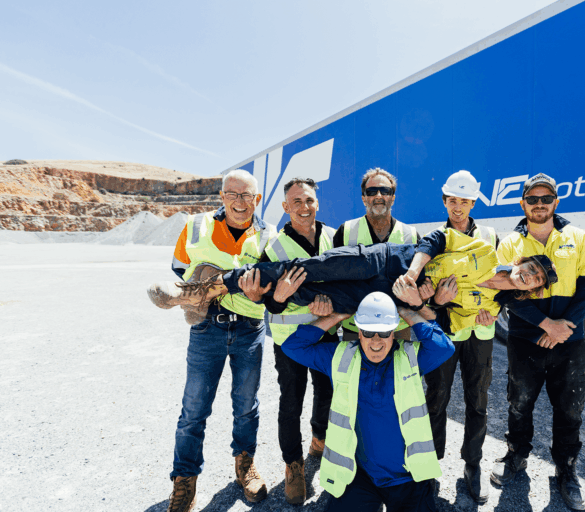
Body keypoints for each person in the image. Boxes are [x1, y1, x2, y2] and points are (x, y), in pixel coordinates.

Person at [148, 228, 557, 335]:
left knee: (307, 290)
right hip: (388, 260)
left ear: (532, 289)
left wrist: (429, 301)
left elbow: (444, 324)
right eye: (532, 266)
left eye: (535, 280)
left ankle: (208, 290)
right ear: (521, 260)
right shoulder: (486, 249)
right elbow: (437, 239)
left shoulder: (489, 311)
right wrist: (415, 273)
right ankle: (199, 290)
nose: (528, 275)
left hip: (389, 299)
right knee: (305, 268)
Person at [156, 170, 277, 512]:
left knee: (246, 404)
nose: (240, 201)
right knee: (194, 409)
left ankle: (244, 465)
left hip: (249, 328)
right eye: (233, 194)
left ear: (257, 199)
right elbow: (179, 267)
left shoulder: (269, 234)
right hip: (206, 327)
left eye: (247, 195)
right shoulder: (196, 225)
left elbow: (272, 280)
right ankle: (184, 480)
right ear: (222, 196)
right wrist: (206, 293)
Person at [278, 289, 454, 512]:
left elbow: (444, 347)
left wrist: (406, 311)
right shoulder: (340, 356)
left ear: (394, 332)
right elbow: (292, 347)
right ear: (359, 332)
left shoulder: (410, 358)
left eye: (384, 332)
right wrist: (336, 316)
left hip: (408, 476)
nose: (376, 341)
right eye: (369, 332)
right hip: (360, 476)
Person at [491, 173, 585, 512]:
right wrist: (546, 325)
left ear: (556, 202)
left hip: (569, 340)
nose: (539, 204)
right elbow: (505, 293)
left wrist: (561, 328)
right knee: (519, 402)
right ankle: (516, 455)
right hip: (525, 339)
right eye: (533, 199)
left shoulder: (577, 238)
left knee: (569, 407)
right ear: (522, 203)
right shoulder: (510, 243)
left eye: (546, 198)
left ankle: (566, 469)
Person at [423, 171, 499, 503]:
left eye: (465, 201)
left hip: (481, 330)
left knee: (477, 401)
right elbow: (422, 289)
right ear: (444, 201)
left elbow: (505, 280)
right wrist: (436, 302)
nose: (458, 207)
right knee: (436, 397)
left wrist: (497, 309)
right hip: (445, 330)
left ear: (473, 203)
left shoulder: (490, 236)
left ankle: (473, 464)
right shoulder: (435, 240)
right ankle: (430, 465)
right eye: (453, 200)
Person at [261, 177, 336, 504]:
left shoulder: (334, 237)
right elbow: (267, 302)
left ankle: (320, 439)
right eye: (296, 202)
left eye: (309, 200)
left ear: (317, 202)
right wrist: (279, 295)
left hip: (326, 332)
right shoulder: (274, 248)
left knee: (328, 391)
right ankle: (293, 464)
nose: (304, 207)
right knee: (291, 401)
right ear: (285, 207)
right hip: (290, 340)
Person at [333, 168, 420, 341]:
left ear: (393, 197)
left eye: (385, 191)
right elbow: (334, 281)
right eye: (372, 191)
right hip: (356, 328)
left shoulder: (410, 235)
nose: (378, 196)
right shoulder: (345, 232)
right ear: (364, 198)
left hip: (398, 327)